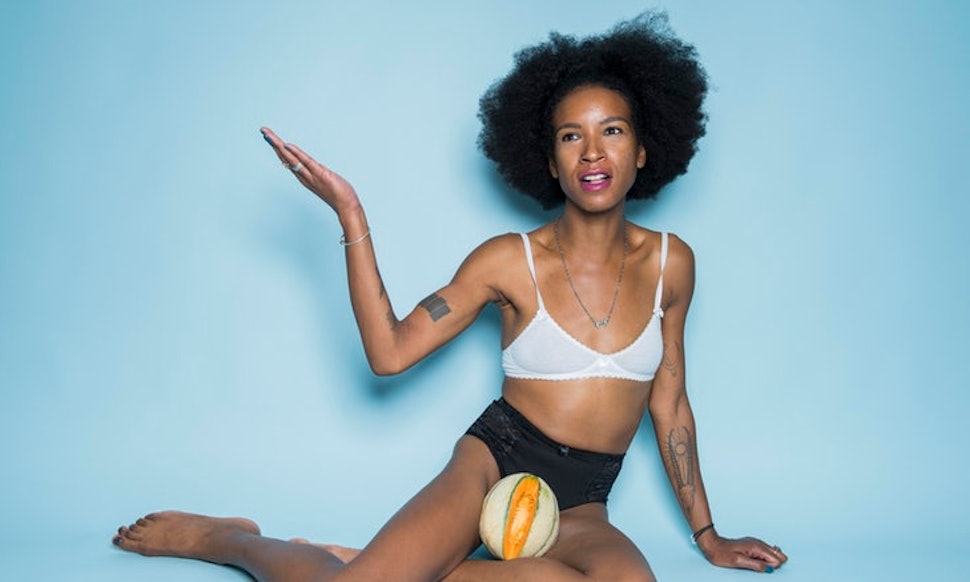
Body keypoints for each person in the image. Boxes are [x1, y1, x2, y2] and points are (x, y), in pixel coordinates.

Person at [113, 12, 788, 581]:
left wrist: (708, 536)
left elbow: (670, 401)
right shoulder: (508, 261)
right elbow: (389, 354)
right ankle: (230, 540)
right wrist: (352, 216)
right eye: (570, 136)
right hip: (494, 464)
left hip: (583, 502)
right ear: (549, 161)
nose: (591, 152)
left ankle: (385, 564)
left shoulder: (673, 265)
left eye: (611, 130)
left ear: (643, 150)